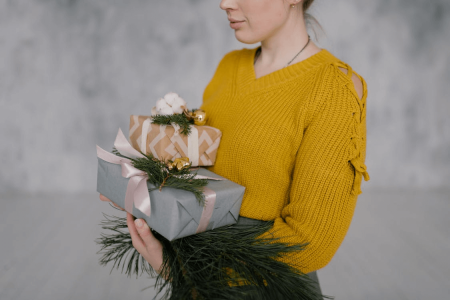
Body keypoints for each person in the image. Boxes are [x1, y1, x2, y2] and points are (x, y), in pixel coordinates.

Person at [100, 0, 370, 297]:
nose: (224, 3)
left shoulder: (335, 89)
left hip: (267, 289)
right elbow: (203, 174)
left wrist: (186, 268)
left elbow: (309, 242)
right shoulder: (229, 67)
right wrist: (145, 194)